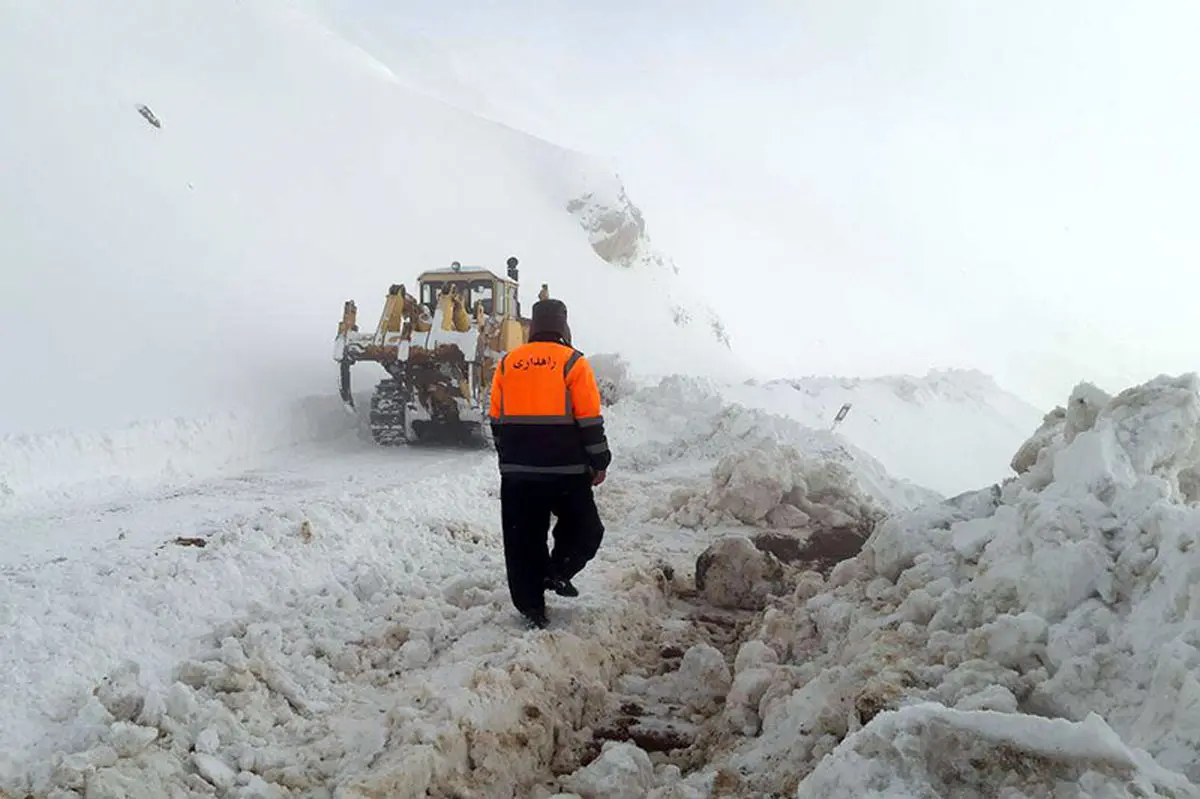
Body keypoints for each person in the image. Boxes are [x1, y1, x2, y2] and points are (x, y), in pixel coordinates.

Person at [487, 298, 611, 629]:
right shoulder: (574, 362)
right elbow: (589, 420)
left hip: (518, 475)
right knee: (586, 530)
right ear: (564, 326)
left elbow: (496, 420)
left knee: (522, 540)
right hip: (566, 472)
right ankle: (557, 572)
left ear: (532, 327)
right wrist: (599, 459)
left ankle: (531, 608)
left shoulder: (507, 363)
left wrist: (507, 458)